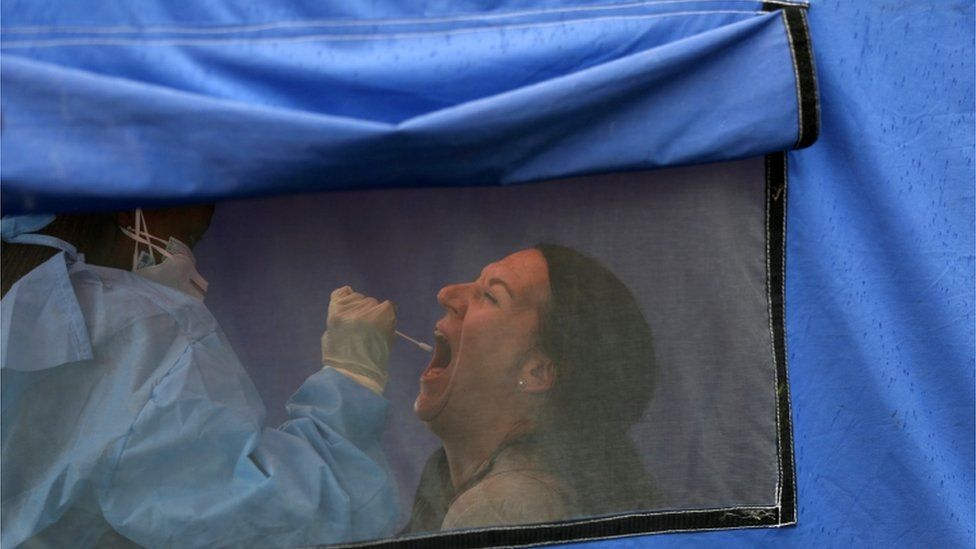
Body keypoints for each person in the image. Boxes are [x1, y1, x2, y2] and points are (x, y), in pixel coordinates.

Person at [1, 207, 399, 547]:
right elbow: (284, 522)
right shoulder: (133, 329)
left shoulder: (22, 301)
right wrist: (353, 377)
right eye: (189, 237)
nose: (190, 261)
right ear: (128, 210)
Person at [403, 244, 662, 532]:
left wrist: (355, 392)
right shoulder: (455, 487)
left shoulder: (501, 511)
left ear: (537, 372)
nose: (447, 294)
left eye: (490, 295)